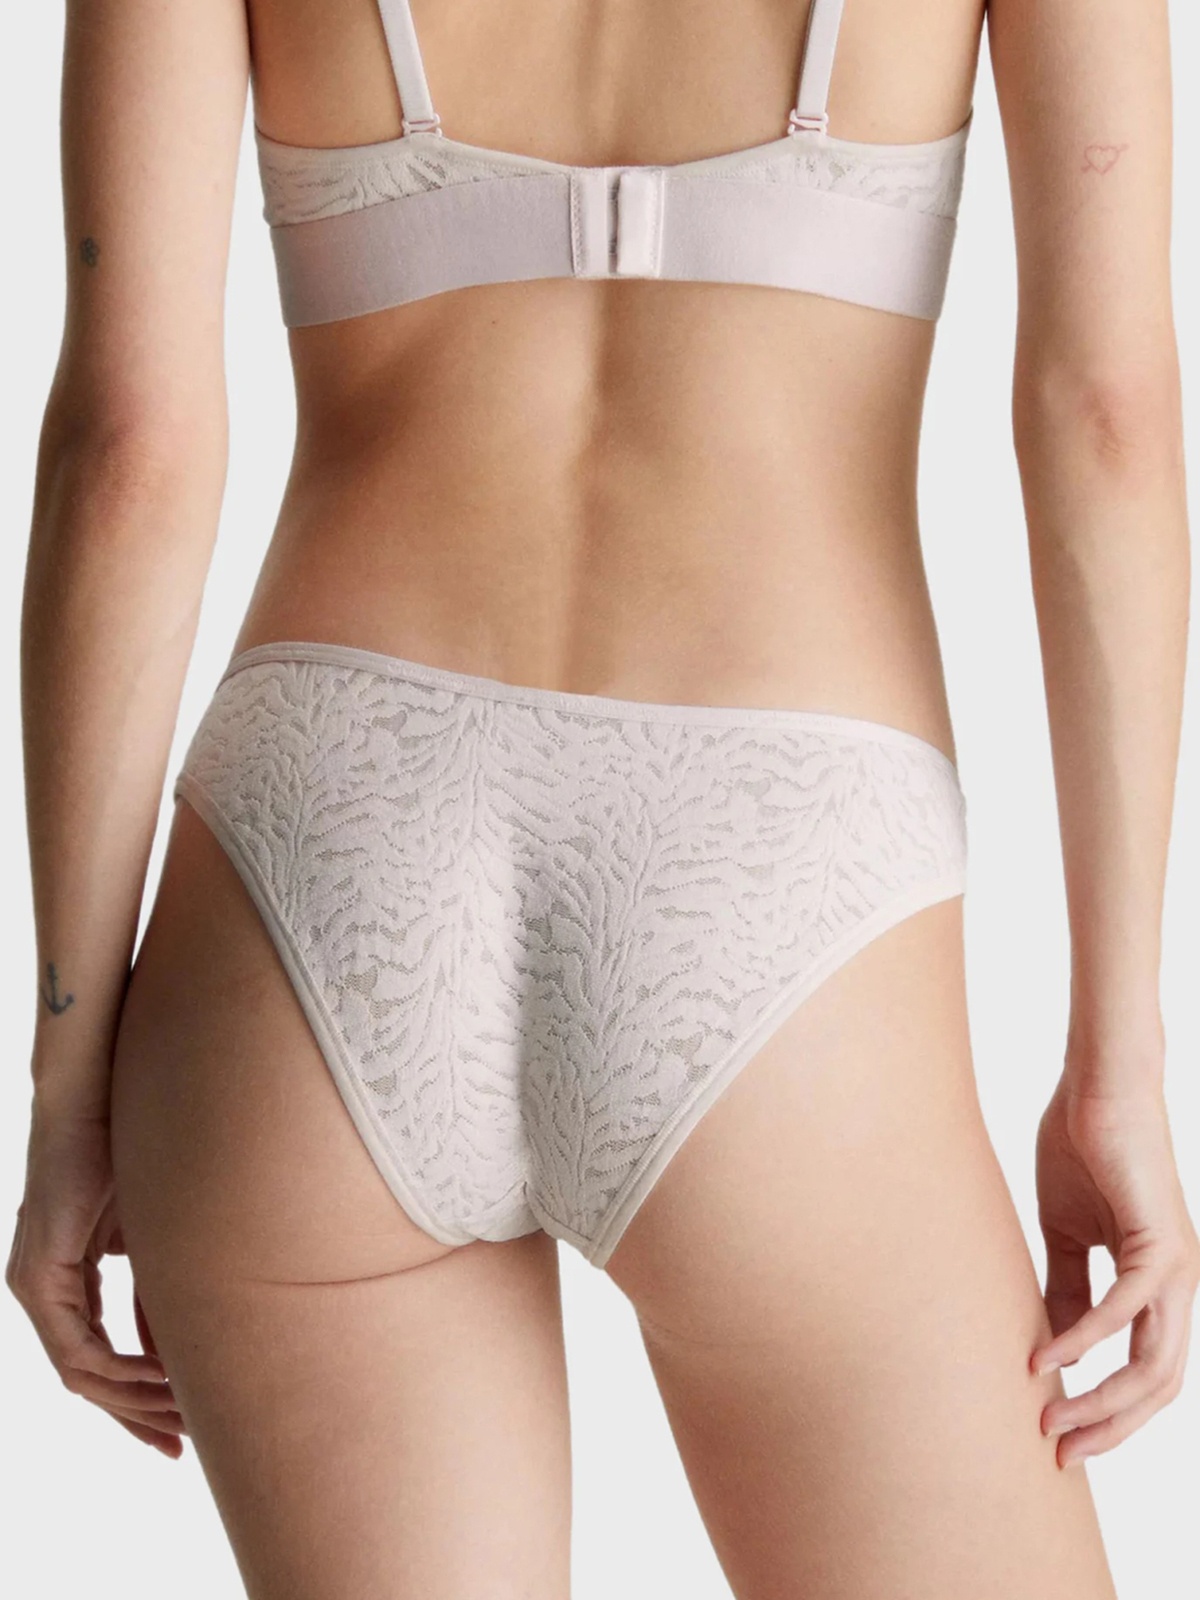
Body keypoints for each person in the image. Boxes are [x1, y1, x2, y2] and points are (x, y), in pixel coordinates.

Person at [7, 1, 1197, 1595]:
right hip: (777, 873)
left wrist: (70, 1087)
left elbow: (127, 455)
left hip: (321, 865)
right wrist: (1119, 1065)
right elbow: (1104, 421)